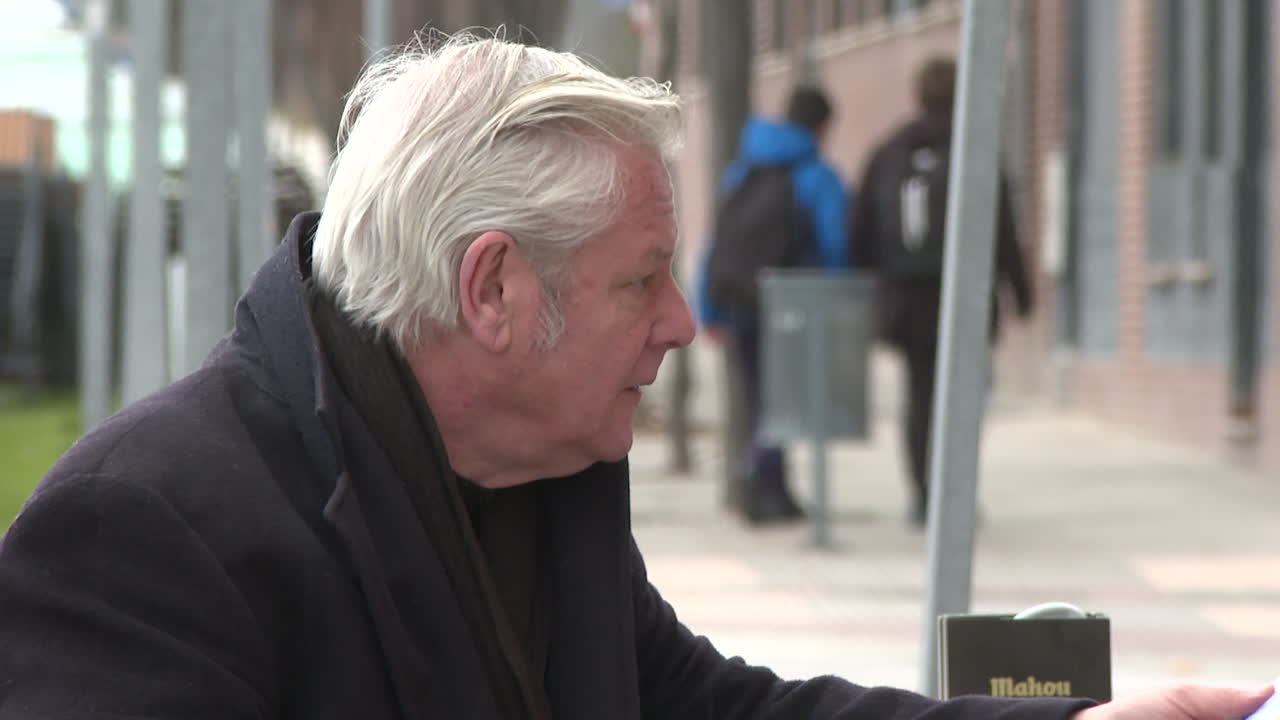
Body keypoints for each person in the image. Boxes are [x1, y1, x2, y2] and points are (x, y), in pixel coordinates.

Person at [0, 34, 1269, 720]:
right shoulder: (145, 533)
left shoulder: (538, 471)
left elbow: (708, 709)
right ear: (494, 290)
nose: (680, 323)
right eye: (640, 280)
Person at [849, 55, 1034, 528]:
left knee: (918, 396)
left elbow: (861, 228)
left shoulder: (888, 151)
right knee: (965, 396)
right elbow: (1002, 229)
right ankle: (957, 492)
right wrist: (1021, 293)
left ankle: (922, 494)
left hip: (907, 301)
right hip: (966, 297)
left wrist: (868, 288)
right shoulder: (976, 148)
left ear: (918, 96)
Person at [697, 85, 850, 524]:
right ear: (822, 127)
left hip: (742, 302)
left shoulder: (742, 170)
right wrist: (835, 302)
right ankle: (760, 480)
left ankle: (774, 487)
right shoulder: (818, 175)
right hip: (796, 305)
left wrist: (709, 310)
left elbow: (716, 243)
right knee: (782, 399)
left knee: (759, 395)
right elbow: (834, 241)